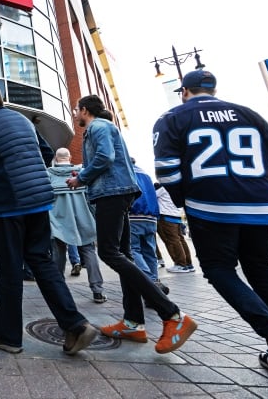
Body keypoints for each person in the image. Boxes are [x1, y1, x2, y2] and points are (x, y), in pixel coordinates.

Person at [154, 69, 268, 397]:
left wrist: (187, 199)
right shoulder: (247, 113)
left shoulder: (172, 117)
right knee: (264, 274)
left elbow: (167, 169)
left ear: (184, 91)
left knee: (219, 270)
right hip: (260, 205)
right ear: (214, 89)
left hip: (211, 205)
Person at [0, 86, 97, 356]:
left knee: (9, 269)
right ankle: (75, 324)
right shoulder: (24, 121)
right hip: (39, 200)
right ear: (2, 101)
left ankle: (7, 335)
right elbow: (44, 152)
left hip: (8, 204)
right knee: (42, 261)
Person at [67, 94, 196, 354]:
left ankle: (172, 314)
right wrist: (84, 171)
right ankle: (133, 322)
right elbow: (104, 159)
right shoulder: (104, 127)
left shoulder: (98, 126)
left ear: (84, 110)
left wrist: (82, 177)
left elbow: (104, 157)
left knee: (109, 252)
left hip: (111, 193)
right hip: (117, 191)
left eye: (76, 111)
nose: (75, 115)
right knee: (124, 254)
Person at [47, 147, 106, 304]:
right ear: (70, 157)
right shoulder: (83, 172)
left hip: (58, 219)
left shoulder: (49, 174)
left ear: (56, 158)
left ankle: (58, 292)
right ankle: (98, 291)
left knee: (58, 254)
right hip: (83, 217)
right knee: (88, 251)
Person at [128, 162, 169, 297]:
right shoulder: (146, 174)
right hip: (151, 217)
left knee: (134, 250)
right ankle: (155, 284)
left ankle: (150, 282)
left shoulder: (126, 171)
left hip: (134, 215)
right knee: (150, 252)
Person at [154, 182, 196, 272]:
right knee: (180, 240)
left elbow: (151, 195)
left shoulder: (162, 187)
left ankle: (181, 264)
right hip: (176, 216)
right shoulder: (178, 187)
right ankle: (188, 264)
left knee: (172, 241)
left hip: (166, 216)